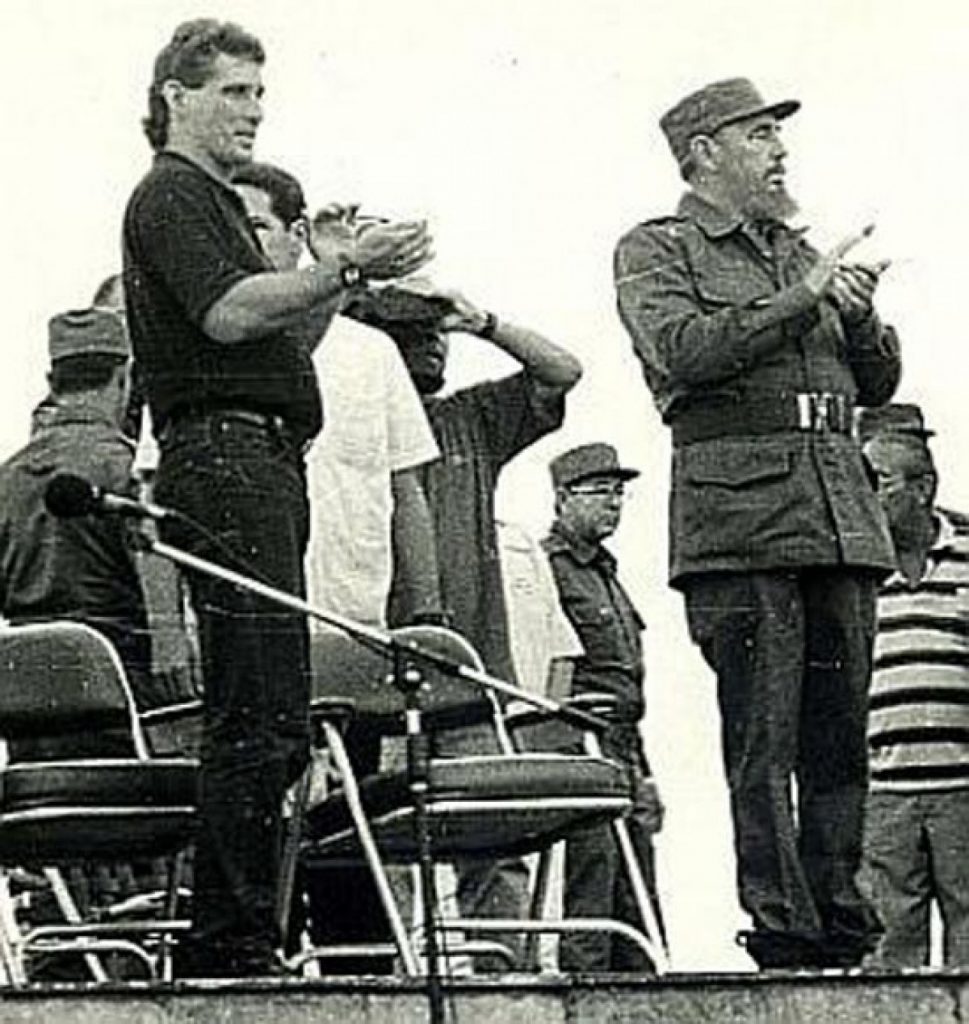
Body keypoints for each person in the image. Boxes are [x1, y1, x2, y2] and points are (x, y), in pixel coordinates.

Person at [122, 18, 432, 977]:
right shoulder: (174, 193)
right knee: (256, 711)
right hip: (226, 457)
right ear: (176, 96)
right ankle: (232, 942)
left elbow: (275, 345)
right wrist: (337, 267)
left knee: (271, 709)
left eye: (259, 93)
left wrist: (328, 280)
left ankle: (244, 932)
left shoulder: (206, 199)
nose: (254, 111)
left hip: (254, 455)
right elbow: (227, 316)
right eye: (231, 93)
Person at [613, 77, 901, 969]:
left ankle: (837, 916)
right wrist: (803, 296)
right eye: (757, 135)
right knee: (762, 737)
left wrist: (858, 315)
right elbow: (683, 352)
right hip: (739, 525)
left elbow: (877, 386)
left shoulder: (796, 251)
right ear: (703, 153)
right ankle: (782, 924)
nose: (777, 150)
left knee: (837, 737)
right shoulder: (655, 248)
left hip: (835, 515)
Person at [233, 160, 443, 970]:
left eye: (258, 226)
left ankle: (358, 984)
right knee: (260, 814)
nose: (244, 242)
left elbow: (406, 489)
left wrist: (424, 616)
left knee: (353, 827)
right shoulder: (218, 337)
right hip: (255, 620)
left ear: (294, 234)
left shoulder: (372, 351)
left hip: (354, 623)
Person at [356, 282, 583, 971]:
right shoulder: (348, 415)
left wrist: (481, 320)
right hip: (373, 680)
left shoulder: (471, 418)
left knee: (497, 841)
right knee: (379, 846)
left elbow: (562, 370)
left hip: (471, 677)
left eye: (435, 334)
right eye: (409, 333)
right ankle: (390, 991)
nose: (430, 345)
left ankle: (500, 985)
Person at [541, 443, 664, 973]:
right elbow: (551, 667)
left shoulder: (607, 576)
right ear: (564, 498)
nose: (614, 503)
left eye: (619, 493)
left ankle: (641, 999)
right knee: (592, 880)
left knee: (637, 888)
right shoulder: (547, 568)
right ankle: (587, 996)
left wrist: (647, 773)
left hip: (623, 748)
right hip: (579, 742)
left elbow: (628, 687)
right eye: (600, 492)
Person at [858, 404, 969, 967]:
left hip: (964, 792)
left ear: (923, 487)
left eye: (877, 482)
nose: (864, 495)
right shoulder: (852, 572)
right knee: (884, 949)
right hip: (882, 798)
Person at [0, 308, 152, 710]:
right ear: (125, 378)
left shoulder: (7, 476)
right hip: (122, 678)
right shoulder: (129, 469)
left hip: (27, 691)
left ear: (52, 382)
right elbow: (158, 583)